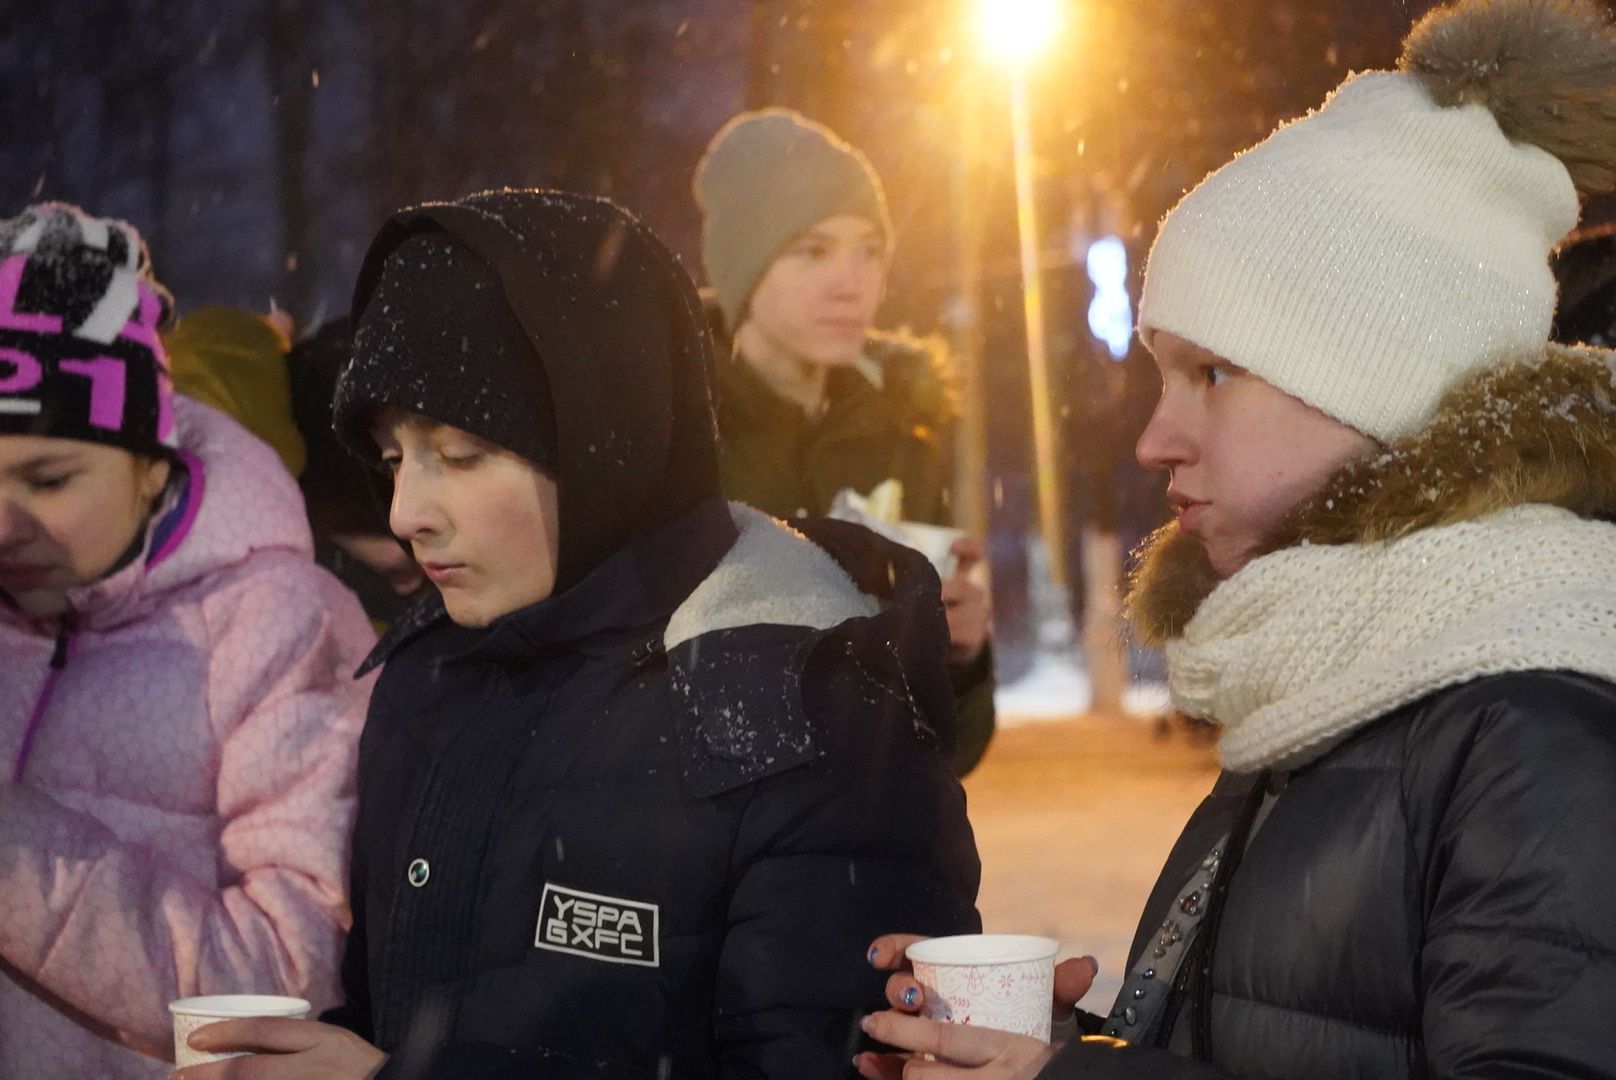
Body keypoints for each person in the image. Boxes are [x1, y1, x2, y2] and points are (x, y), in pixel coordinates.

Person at [858, 0, 1616, 1075]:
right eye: (1158, 374)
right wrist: (1049, 1048)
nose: (1152, 440)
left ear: (1377, 378)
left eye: (1210, 374)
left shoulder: (1530, 724)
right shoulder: (1330, 670)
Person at [176, 189, 981, 1079]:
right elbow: (410, 1020)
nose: (407, 513)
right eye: (395, 458)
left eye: (461, 455)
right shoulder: (428, 677)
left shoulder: (806, 702)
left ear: (607, 439)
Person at [0, 203, 376, 1078]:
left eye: (47, 478)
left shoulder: (276, 629)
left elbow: (289, 986)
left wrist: (21, 862)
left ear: (150, 461)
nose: (5, 522)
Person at [694, 108, 997, 775]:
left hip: (863, 852)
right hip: (706, 854)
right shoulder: (675, 436)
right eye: (813, 249)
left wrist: (961, 657)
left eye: (870, 251)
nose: (851, 282)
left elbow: (948, 748)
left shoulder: (903, 433)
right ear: (743, 265)